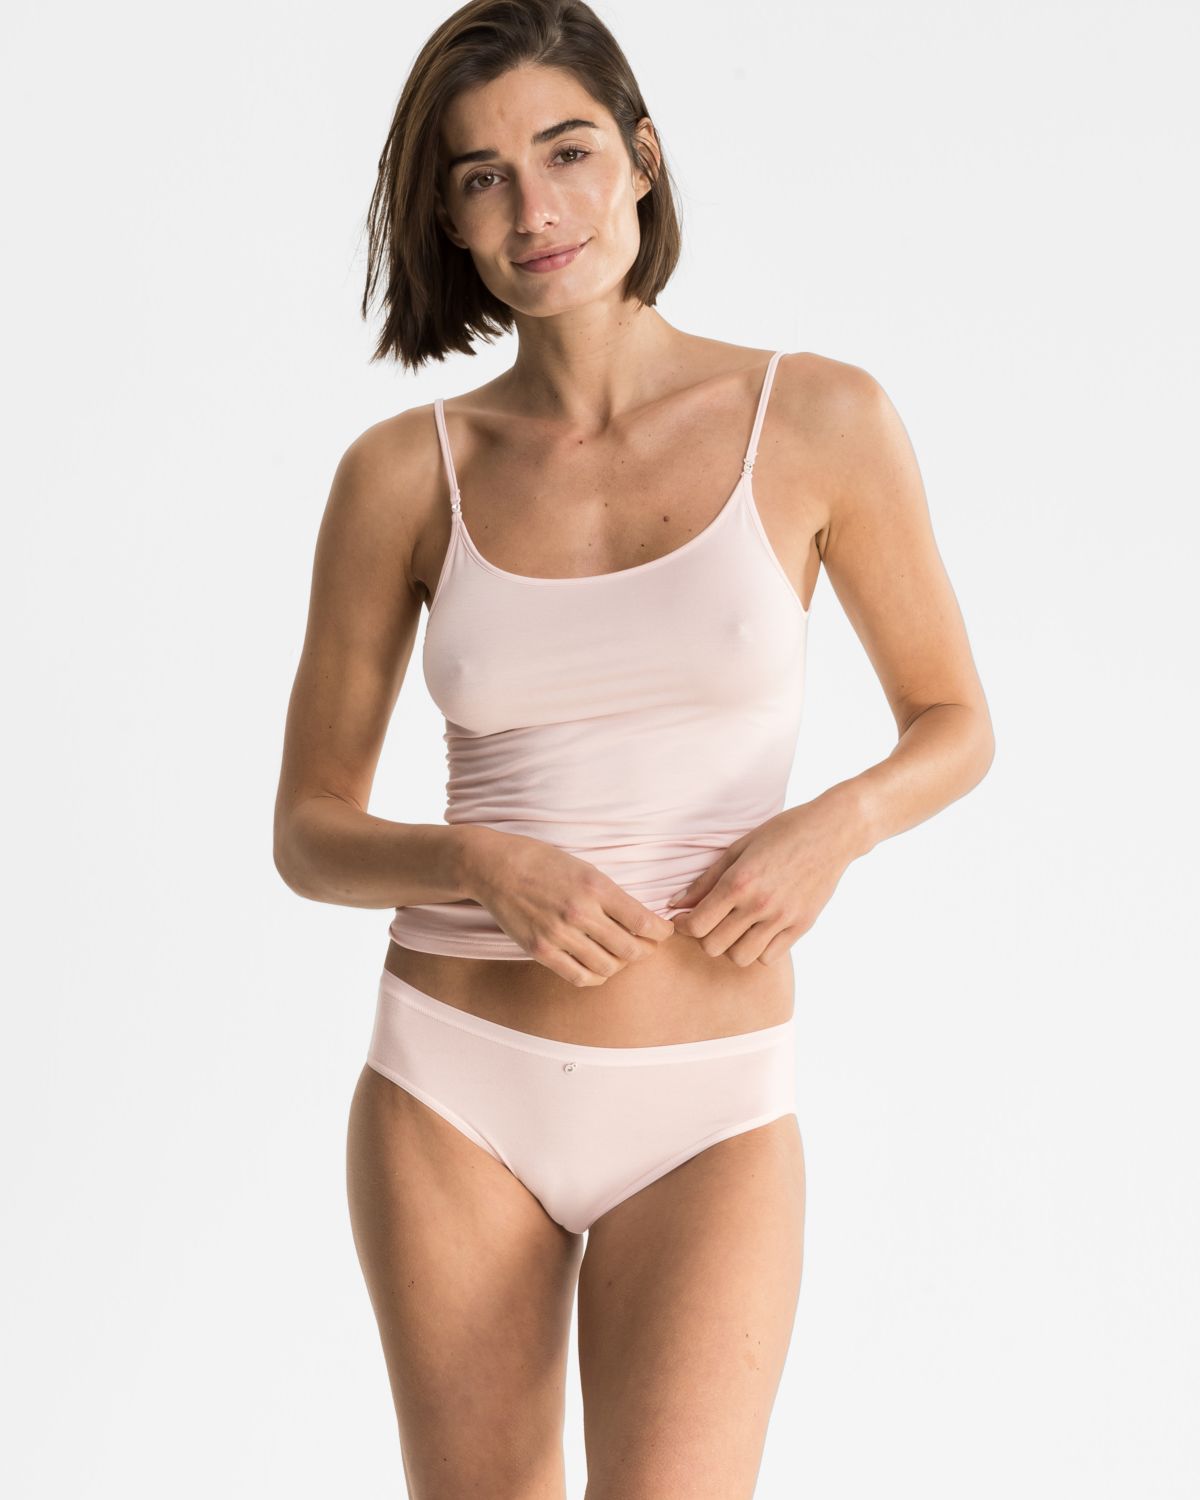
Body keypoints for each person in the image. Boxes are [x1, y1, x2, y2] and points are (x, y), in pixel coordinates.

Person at [272, 0, 995, 1493]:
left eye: (568, 151)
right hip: (454, 1082)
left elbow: (955, 722)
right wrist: (477, 859)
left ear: (645, 158)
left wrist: (837, 825)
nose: (535, 211)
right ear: (447, 219)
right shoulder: (403, 475)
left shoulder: (818, 418)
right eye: (481, 177)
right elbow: (308, 833)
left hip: (710, 1096)